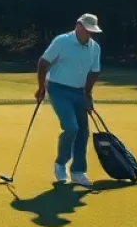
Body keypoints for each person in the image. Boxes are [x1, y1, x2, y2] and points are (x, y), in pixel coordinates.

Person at [35, 13, 102, 188]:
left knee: (83, 132)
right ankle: (60, 163)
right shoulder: (62, 41)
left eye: (91, 31)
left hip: (79, 91)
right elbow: (43, 62)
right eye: (87, 30)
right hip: (58, 88)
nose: (89, 34)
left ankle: (78, 171)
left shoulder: (94, 47)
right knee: (71, 127)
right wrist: (41, 87)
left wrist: (88, 95)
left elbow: (94, 73)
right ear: (78, 25)